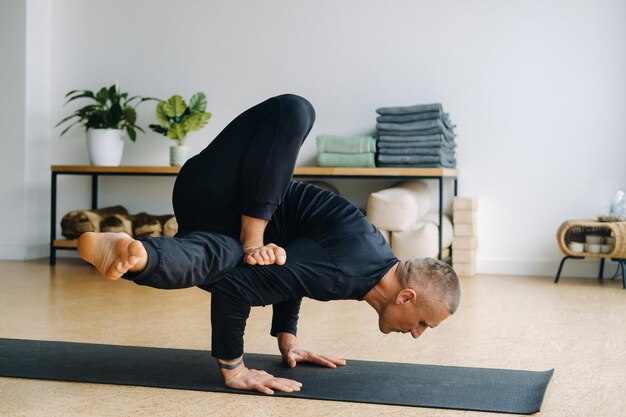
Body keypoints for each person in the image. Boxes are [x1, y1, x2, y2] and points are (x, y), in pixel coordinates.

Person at [77, 93, 460, 396]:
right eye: (423, 323)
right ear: (406, 297)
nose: (416, 333)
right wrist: (234, 368)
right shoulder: (348, 270)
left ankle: (136, 252)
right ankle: (249, 237)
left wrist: (287, 340)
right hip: (224, 186)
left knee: (216, 258)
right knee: (296, 109)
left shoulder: (365, 266)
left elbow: (294, 277)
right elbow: (239, 289)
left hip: (215, 219)